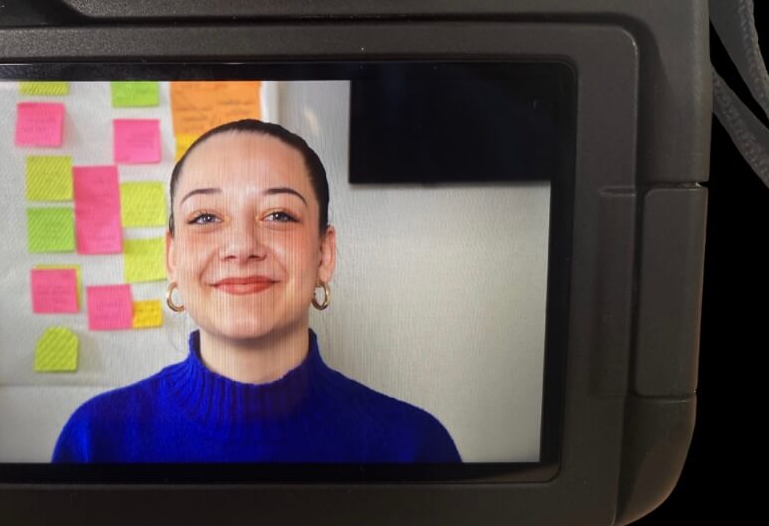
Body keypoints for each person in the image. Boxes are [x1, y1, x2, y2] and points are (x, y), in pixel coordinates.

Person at [52, 119, 462, 463]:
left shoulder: (415, 448)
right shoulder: (95, 441)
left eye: (279, 215)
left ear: (324, 254)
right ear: (172, 257)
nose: (242, 246)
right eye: (205, 217)